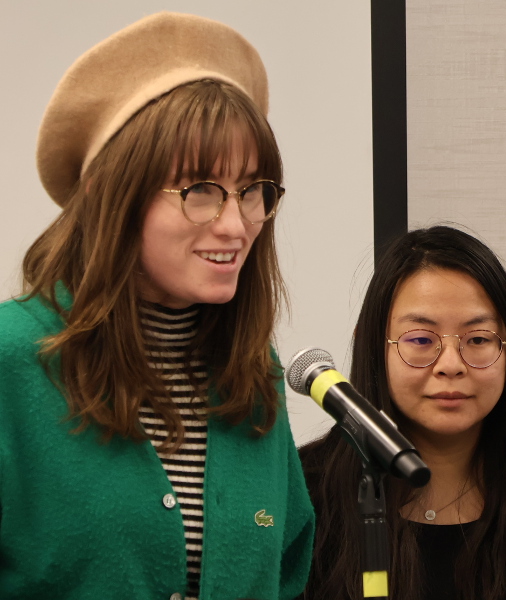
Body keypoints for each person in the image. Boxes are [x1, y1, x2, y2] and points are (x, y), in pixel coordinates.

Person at [0, 12, 314, 600]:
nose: (236, 224)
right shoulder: (12, 360)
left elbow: (289, 571)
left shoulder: (254, 374)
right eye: (200, 192)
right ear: (110, 196)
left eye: (252, 191)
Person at [299, 225, 506, 600]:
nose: (451, 365)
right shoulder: (301, 500)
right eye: (421, 340)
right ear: (374, 347)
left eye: (477, 340)